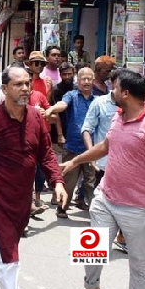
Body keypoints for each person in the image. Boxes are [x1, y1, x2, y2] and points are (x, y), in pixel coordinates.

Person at [60, 69, 145, 289]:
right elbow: (105, 146)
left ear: (125, 92)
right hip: (105, 198)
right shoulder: (118, 114)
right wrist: (75, 161)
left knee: (139, 264)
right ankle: (91, 287)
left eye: (114, 87)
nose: (110, 90)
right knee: (90, 252)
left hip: (138, 207)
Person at [0, 65, 67, 289]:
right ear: (5, 89)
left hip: (21, 203)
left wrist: (57, 181)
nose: (25, 88)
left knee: (4, 248)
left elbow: (46, 154)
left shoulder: (37, 118)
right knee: (9, 259)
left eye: (27, 83)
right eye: (19, 84)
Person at [45, 67, 97, 217]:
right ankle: (62, 207)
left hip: (91, 149)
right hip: (73, 147)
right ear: (78, 81)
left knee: (91, 182)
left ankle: (96, 212)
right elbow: (63, 104)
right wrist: (52, 109)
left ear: (93, 81)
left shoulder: (97, 101)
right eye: (83, 79)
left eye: (89, 79)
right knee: (69, 180)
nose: (86, 81)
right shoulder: (71, 96)